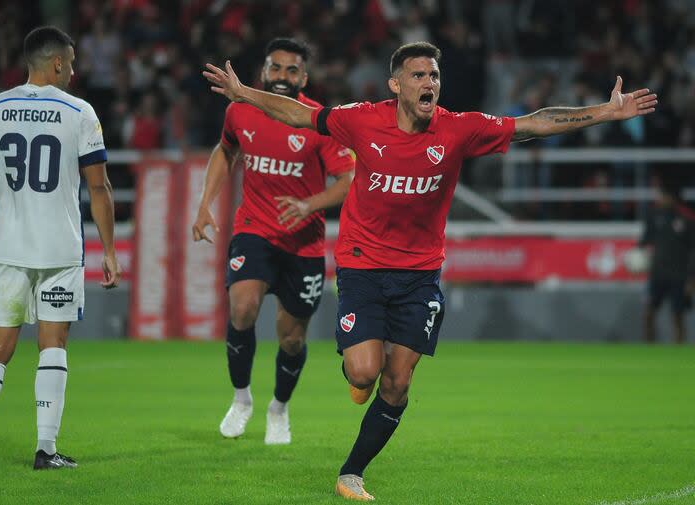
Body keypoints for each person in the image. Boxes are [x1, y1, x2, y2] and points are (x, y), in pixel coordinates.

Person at [203, 41, 657, 499]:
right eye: (419, 76)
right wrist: (242, 93)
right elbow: (300, 114)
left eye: (434, 76)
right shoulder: (361, 119)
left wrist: (604, 111)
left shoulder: (459, 129)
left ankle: (352, 472)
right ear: (395, 84)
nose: (429, 83)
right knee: (363, 373)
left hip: (420, 274)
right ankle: (349, 379)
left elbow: (534, 123)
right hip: (362, 264)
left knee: (397, 384)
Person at [0, 26, 120, 471]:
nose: (74, 69)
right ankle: (46, 451)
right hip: (59, 251)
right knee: (53, 345)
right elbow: (99, 186)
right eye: (71, 61)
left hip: (9, 248)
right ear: (56, 63)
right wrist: (109, 249)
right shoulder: (79, 112)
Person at [192, 38, 354, 445]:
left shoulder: (319, 122)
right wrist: (205, 203)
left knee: (292, 337)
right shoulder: (239, 110)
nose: (282, 76)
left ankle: (278, 409)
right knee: (242, 307)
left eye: (292, 70)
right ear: (264, 71)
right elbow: (225, 150)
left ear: (305, 77)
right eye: (276, 68)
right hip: (255, 230)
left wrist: (308, 205)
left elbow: (349, 180)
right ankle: (241, 399)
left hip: (304, 244)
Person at [640, 181, 695, 344]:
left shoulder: (687, 219)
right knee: (648, 312)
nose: (660, 199)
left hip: (679, 275)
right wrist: (637, 258)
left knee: (677, 315)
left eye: (662, 196)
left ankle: (678, 349)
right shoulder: (654, 216)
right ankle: (648, 346)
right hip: (657, 274)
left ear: (672, 198)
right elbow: (643, 242)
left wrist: (692, 278)